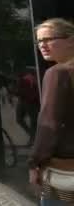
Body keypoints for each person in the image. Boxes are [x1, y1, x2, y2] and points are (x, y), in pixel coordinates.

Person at [29, 18, 74, 205]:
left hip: (65, 171)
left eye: (49, 39)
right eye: (39, 41)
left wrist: (34, 163)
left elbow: (49, 123)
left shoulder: (58, 73)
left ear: (71, 39)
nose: (42, 45)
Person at [15, 68, 41, 146]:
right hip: (27, 101)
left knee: (30, 121)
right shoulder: (31, 79)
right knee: (29, 121)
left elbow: (19, 91)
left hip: (29, 101)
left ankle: (33, 138)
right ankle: (33, 137)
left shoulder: (26, 80)